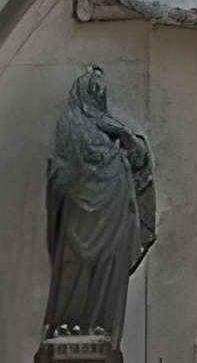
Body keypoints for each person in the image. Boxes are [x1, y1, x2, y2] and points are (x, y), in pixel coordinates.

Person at [42, 65, 155, 334]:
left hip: (113, 215)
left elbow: (140, 161)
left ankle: (99, 326)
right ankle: (66, 325)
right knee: (73, 264)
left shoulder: (113, 131)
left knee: (109, 267)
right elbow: (63, 172)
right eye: (91, 87)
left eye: (99, 89)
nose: (96, 92)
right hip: (79, 217)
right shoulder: (69, 123)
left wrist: (123, 134)